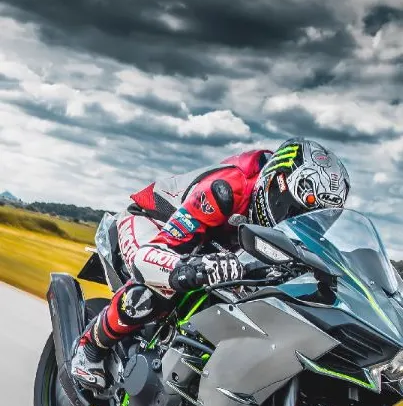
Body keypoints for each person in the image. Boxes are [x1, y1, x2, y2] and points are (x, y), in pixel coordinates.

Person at [71, 138, 351, 390]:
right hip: (155, 224)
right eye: (293, 212)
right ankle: (90, 349)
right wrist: (194, 267)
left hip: (211, 246)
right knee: (160, 283)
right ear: (276, 184)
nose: (292, 223)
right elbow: (153, 255)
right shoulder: (228, 187)